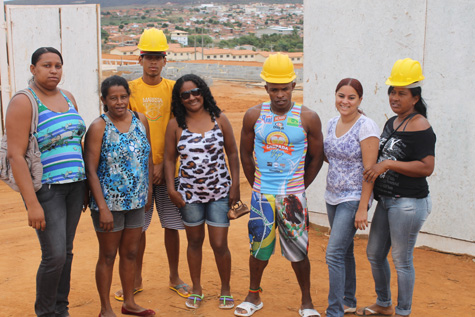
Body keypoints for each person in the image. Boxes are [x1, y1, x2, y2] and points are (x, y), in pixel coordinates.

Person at [236, 53, 324, 317]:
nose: (280, 94)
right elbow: (244, 154)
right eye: (274, 89)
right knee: (258, 247)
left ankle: (306, 302)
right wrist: (257, 186)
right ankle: (253, 296)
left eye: (284, 88)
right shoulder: (254, 115)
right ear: (266, 89)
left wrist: (300, 187)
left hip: (293, 198)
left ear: (293, 86)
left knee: (298, 251)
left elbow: (317, 157)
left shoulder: (308, 117)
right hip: (262, 196)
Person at [5, 47, 87, 316]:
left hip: (76, 186)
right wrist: (32, 204)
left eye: (58, 66)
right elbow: (16, 157)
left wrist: (85, 186)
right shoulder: (24, 101)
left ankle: (61, 309)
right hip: (48, 190)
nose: (53, 70)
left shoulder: (69, 97)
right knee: (54, 256)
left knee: (66, 252)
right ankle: (46, 313)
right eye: (46, 65)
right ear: (33, 69)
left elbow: (77, 140)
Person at [114, 27, 189, 301]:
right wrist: (148, 168)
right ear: (140, 59)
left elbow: (179, 128)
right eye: (148, 57)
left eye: (158, 57)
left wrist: (165, 165)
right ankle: (135, 279)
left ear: (165, 60)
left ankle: (174, 277)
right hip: (138, 173)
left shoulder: (175, 89)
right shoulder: (129, 90)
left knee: (172, 226)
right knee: (138, 229)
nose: (153, 62)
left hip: (170, 170)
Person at [357, 58, 436, 317]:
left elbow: (426, 167)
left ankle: (403, 311)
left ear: (415, 97)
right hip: (388, 200)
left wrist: (389, 163)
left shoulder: (421, 126)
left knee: (402, 260)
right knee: (374, 253)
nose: (394, 97)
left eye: (402, 93)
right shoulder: (392, 122)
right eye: (392, 91)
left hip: (408, 203)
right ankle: (384, 303)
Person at [163, 74, 240, 309]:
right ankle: (196, 289)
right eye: (185, 95)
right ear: (179, 99)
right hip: (189, 195)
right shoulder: (175, 124)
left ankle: (225, 289)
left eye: (195, 91)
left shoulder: (220, 119)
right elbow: (168, 159)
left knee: (219, 244)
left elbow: (233, 154)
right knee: (194, 242)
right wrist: (170, 188)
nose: (191, 97)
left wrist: (235, 185)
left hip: (219, 192)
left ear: (203, 91)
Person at [84, 75, 155, 317]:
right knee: (107, 255)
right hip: (109, 205)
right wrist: (102, 207)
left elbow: (147, 157)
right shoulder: (98, 126)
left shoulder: (140, 120)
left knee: (131, 253)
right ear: (103, 99)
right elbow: (91, 170)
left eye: (123, 97)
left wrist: (149, 193)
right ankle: (105, 308)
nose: (119, 102)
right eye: (113, 98)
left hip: (136, 201)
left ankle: (130, 303)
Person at [323, 78, 379, 317]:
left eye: (351, 97)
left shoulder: (366, 126)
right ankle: (348, 301)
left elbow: (370, 171)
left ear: (360, 100)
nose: (345, 101)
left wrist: (363, 207)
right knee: (344, 251)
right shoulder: (331, 123)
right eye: (341, 96)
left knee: (333, 253)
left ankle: (334, 311)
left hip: (354, 197)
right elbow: (330, 157)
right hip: (332, 195)